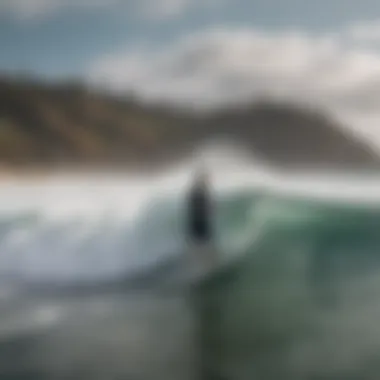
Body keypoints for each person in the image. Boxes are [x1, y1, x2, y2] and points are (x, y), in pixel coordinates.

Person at [186, 169, 216, 272]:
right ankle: (205, 268)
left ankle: (202, 268)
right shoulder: (199, 191)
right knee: (203, 246)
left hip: (197, 223)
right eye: (206, 178)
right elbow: (202, 207)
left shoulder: (197, 191)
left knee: (201, 246)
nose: (208, 180)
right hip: (199, 223)